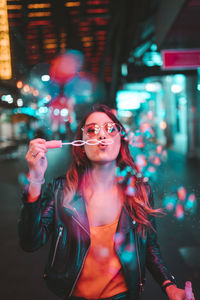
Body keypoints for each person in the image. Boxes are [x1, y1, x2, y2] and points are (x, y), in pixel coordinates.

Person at [18, 105, 194, 300]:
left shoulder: (139, 191)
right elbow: (30, 242)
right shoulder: (61, 190)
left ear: (120, 141)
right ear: (82, 145)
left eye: (110, 129)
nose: (102, 136)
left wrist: (168, 285)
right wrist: (35, 178)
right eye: (92, 130)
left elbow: (149, 246)